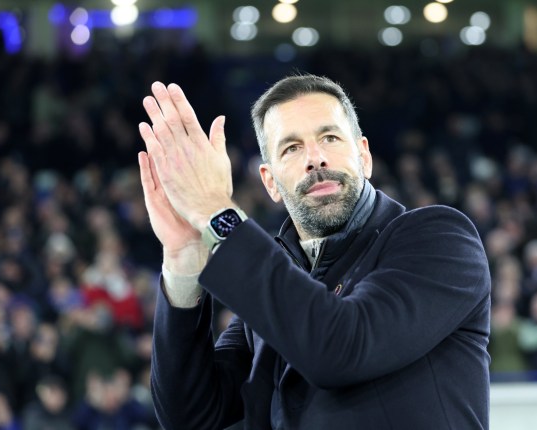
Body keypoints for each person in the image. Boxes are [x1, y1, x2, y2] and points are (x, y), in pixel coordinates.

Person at [137, 74, 491, 429]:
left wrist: (217, 212)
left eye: (330, 137)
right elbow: (190, 417)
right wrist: (184, 256)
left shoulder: (440, 239)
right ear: (270, 182)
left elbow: (340, 348)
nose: (316, 158)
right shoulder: (272, 295)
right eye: (291, 148)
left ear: (364, 156)